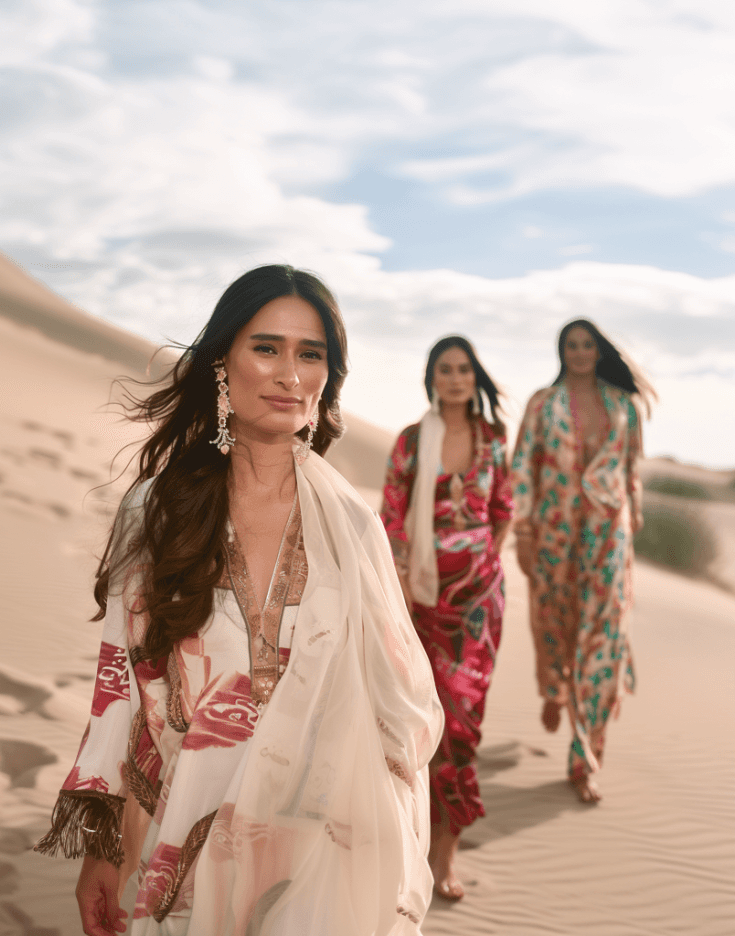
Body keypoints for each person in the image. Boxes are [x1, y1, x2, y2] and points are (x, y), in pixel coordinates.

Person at [35, 265, 444, 936]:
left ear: (327, 377)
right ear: (223, 363)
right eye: (267, 348)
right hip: (188, 841)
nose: (290, 373)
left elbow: (401, 706)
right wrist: (108, 847)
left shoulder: (353, 527)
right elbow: (123, 690)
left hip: (321, 854)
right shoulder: (157, 512)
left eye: (311, 354)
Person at [380, 336, 513, 903]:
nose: (455, 378)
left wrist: (483, 562)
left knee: (462, 728)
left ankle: (444, 856)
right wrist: (406, 583)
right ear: (431, 378)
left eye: (463, 369)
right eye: (444, 369)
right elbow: (391, 515)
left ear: (474, 376)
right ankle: (403, 844)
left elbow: (503, 510)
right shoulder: (412, 441)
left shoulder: (493, 440)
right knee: (414, 724)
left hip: (478, 606)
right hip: (420, 604)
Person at [510, 319, 656, 804]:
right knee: (555, 626)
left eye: (586, 344)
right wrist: (524, 531)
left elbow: (631, 466)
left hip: (607, 537)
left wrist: (630, 521)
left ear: (599, 350)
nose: (579, 352)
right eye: (570, 345)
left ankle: (585, 756)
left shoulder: (624, 406)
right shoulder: (542, 404)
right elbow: (523, 468)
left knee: (602, 641)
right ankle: (553, 687)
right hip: (554, 534)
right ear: (561, 351)